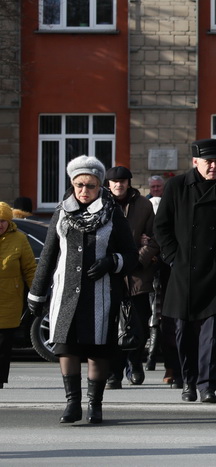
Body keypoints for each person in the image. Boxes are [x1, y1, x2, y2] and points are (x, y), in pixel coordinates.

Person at [27, 156, 138, 424]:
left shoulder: (112, 214)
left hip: (100, 295)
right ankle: (72, 404)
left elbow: (132, 256)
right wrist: (37, 293)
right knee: (66, 347)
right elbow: (50, 254)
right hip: (66, 294)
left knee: (97, 349)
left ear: (100, 186)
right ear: (72, 184)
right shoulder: (62, 212)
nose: (84, 191)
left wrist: (112, 262)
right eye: (79, 185)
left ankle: (94, 405)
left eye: (90, 185)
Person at [154, 138, 216, 403]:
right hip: (183, 270)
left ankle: (208, 386)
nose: (214, 166)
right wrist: (174, 258)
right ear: (195, 162)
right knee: (182, 331)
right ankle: (187, 382)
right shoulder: (177, 186)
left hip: (214, 269)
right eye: (209, 162)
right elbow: (162, 227)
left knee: (212, 334)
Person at [104, 165, 159, 389]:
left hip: (137, 276)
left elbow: (155, 239)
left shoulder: (144, 205)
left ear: (129, 183)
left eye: (123, 181)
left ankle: (134, 364)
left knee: (138, 325)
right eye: (115, 181)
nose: (119, 185)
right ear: (108, 184)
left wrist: (138, 258)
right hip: (109, 275)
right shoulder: (101, 204)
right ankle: (113, 373)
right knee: (111, 326)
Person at [0, 202, 36, 389]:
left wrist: (36, 291)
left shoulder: (20, 239)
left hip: (9, 298)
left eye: (3, 221)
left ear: (8, 221)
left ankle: (0, 379)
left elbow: (30, 269)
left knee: (4, 343)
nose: (0, 224)